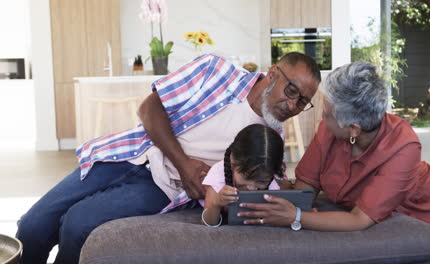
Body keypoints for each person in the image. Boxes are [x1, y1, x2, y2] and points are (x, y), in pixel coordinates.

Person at [16, 52, 321, 264]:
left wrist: (300, 202)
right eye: (291, 90)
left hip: (162, 186)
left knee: (77, 224)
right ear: (272, 74)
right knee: (32, 226)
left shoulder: (272, 139)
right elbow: (149, 109)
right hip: (130, 153)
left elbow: (264, 187)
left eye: (303, 102)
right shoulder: (215, 71)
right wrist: (184, 164)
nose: (293, 104)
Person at [238, 61, 430, 263]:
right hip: (353, 207)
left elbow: (360, 219)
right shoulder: (330, 130)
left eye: (327, 113)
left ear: (353, 129)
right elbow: (305, 186)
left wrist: (296, 217)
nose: (321, 117)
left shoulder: (404, 146)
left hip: (416, 207)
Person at [200, 124, 284, 226]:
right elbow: (207, 224)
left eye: (261, 181)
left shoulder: (269, 179)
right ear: (233, 161)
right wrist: (216, 202)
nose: (251, 187)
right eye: (246, 177)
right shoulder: (218, 175)